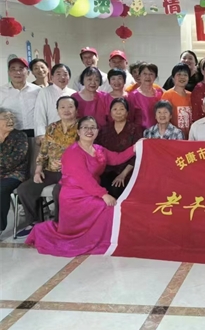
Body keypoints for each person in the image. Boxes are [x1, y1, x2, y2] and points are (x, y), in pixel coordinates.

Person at [26, 117, 140, 257]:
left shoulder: (98, 149)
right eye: (85, 127)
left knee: (110, 207)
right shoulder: (73, 152)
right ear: (79, 132)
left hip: (90, 192)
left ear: (97, 131)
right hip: (74, 196)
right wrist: (104, 195)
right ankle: (99, 240)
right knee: (107, 207)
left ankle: (105, 239)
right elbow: (84, 179)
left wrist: (135, 148)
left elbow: (116, 158)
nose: (89, 130)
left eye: (93, 127)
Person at [15, 96, 79, 237]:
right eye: (62, 107)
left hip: (71, 173)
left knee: (58, 191)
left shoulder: (82, 127)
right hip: (50, 170)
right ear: (57, 110)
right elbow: (43, 151)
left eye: (70, 107)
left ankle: (59, 224)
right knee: (25, 189)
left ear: (76, 110)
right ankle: (34, 222)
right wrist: (38, 171)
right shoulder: (52, 128)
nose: (66, 110)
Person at [96, 98, 143, 198]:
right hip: (106, 171)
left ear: (127, 112)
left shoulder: (135, 129)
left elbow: (138, 155)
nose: (118, 112)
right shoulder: (104, 130)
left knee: (117, 189)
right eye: (115, 109)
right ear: (110, 112)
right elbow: (98, 151)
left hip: (128, 171)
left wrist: (123, 174)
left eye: (122, 109)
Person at [0, 108, 28, 234]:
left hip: (15, 174)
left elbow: (15, 159)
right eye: (6, 118)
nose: (10, 121)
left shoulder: (20, 136)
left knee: (1, 189)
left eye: (12, 118)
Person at [0, 58, 41, 138]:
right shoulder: (1, 92)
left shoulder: (38, 90)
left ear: (28, 73)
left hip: (35, 133)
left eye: (21, 69)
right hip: (10, 135)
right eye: (13, 69)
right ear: (9, 73)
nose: (17, 72)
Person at [34, 64, 76, 140]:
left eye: (65, 74)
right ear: (52, 77)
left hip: (72, 134)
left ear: (69, 77)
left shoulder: (74, 93)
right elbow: (39, 114)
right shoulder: (45, 92)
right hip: (50, 134)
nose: (62, 77)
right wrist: (41, 134)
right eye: (58, 74)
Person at [129, 63, 164, 129]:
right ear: (140, 76)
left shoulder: (160, 93)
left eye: (151, 74)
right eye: (144, 74)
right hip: (139, 131)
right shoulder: (133, 95)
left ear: (155, 77)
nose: (147, 76)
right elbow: (130, 117)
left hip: (158, 131)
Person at [161, 63, 193, 138]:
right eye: (179, 74)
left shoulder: (191, 95)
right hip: (173, 136)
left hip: (190, 137)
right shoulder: (167, 95)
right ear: (173, 78)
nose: (182, 77)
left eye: (185, 75)